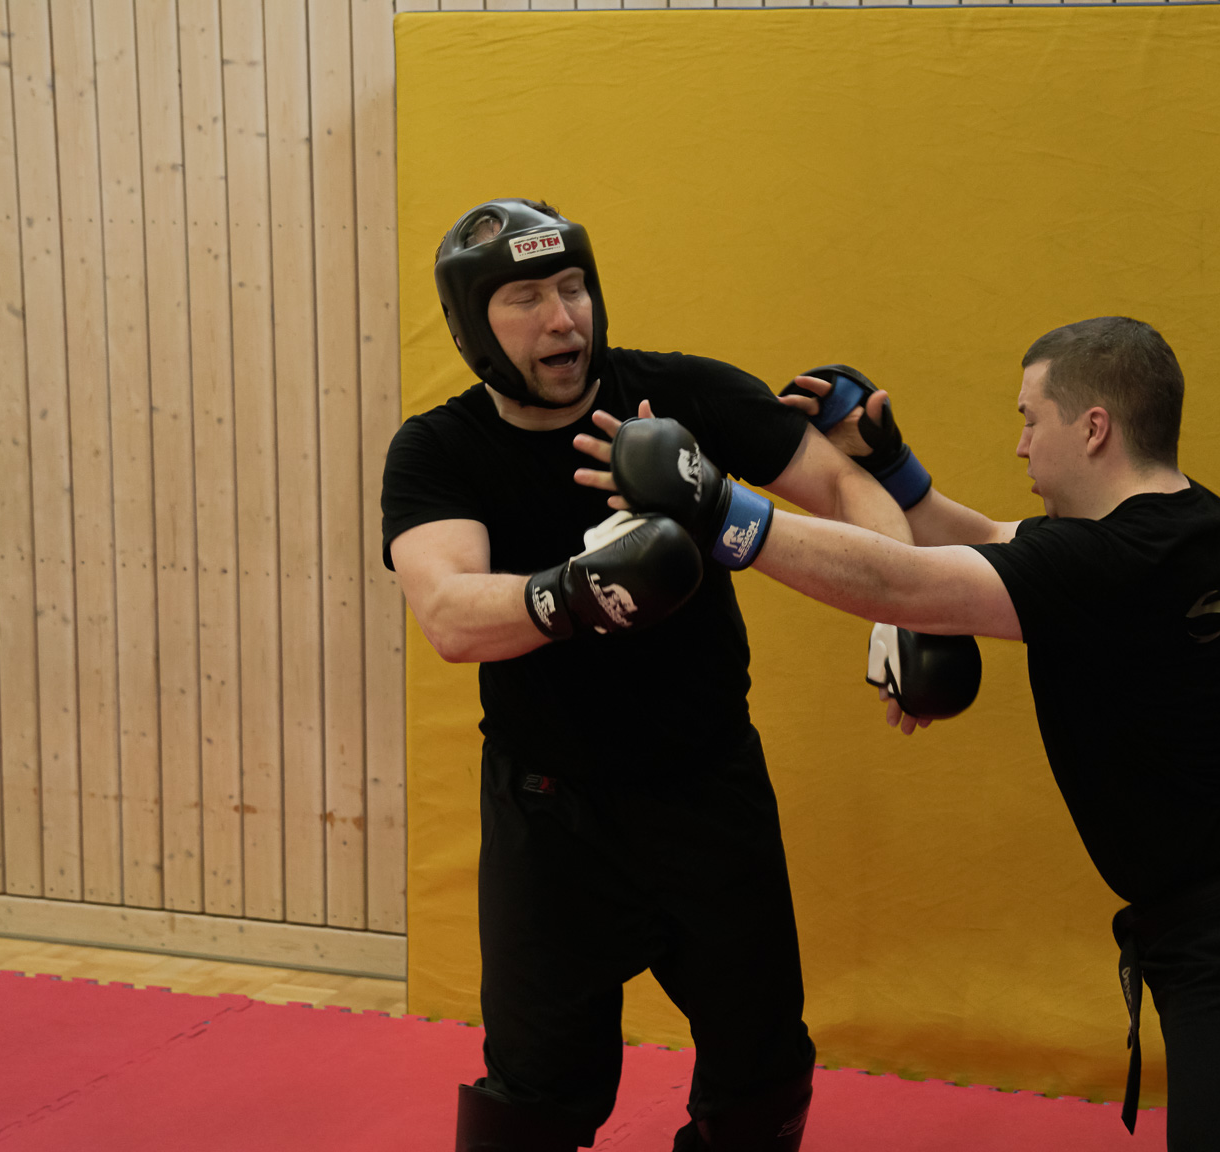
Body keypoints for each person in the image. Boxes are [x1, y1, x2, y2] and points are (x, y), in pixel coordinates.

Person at [577, 317, 1220, 1151]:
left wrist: (720, 509)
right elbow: (990, 540)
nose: (1022, 444)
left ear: (1094, 427)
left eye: (1032, 419)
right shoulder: (1187, 522)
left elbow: (908, 584)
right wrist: (892, 466)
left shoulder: (1118, 563)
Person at [381, 198, 911, 1152]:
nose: (563, 319)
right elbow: (449, 614)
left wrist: (900, 608)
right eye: (527, 298)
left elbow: (843, 484)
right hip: (552, 816)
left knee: (762, 1082)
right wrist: (577, 593)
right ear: (472, 328)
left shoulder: (684, 398)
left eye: (573, 286)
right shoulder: (440, 449)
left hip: (710, 793)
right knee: (532, 1102)